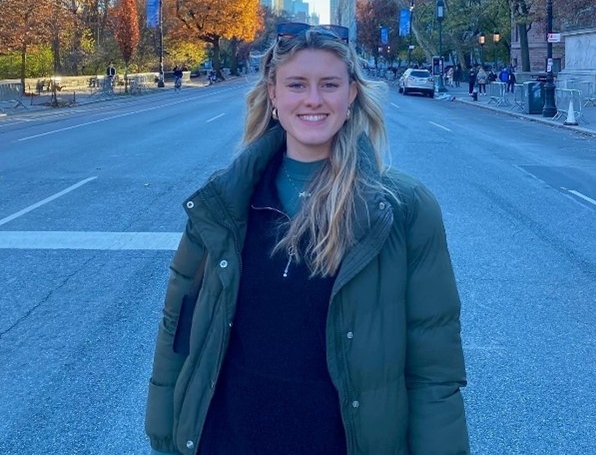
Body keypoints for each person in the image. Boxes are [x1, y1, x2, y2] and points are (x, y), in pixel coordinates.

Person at [145, 22, 470, 455]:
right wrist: (164, 436)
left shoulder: (404, 208)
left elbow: (434, 369)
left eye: (329, 84)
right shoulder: (225, 201)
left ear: (351, 95)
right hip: (226, 439)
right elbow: (179, 330)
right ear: (274, 94)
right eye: (297, 84)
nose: (313, 99)